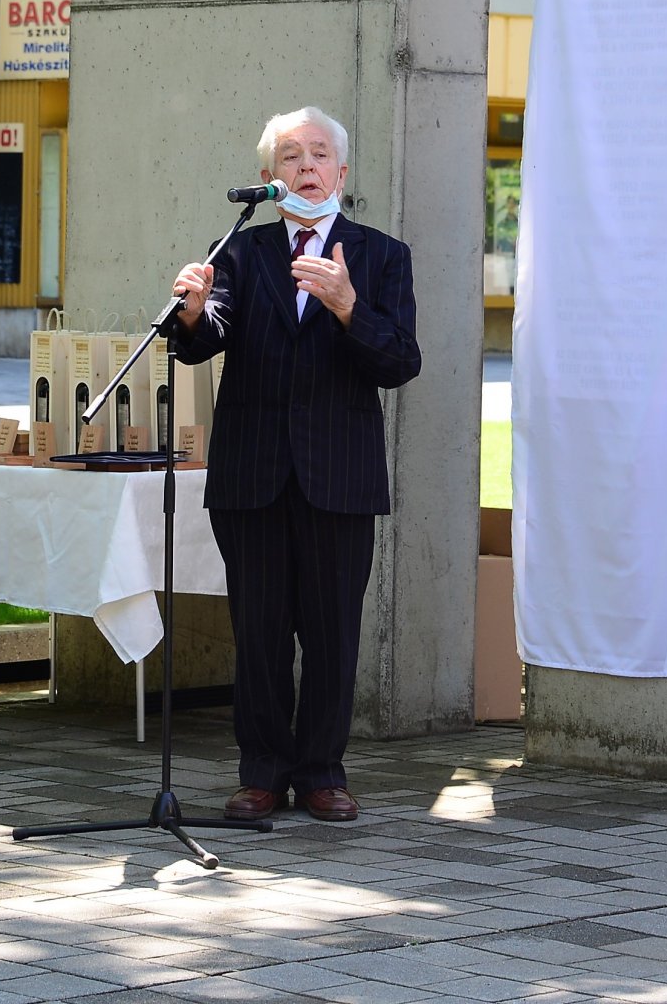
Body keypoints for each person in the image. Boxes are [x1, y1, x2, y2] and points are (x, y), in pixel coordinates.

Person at [169, 108, 421, 823]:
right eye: (290, 157)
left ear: (342, 171)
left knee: (333, 634)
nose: (306, 166)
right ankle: (261, 773)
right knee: (259, 636)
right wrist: (189, 313)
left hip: (339, 478)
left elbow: (401, 360)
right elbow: (203, 339)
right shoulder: (241, 255)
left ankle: (321, 773)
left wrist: (348, 307)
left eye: (318, 154)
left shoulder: (380, 257)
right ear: (267, 179)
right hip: (252, 477)